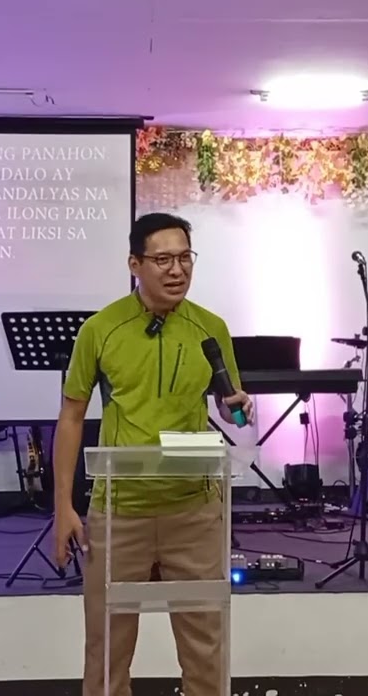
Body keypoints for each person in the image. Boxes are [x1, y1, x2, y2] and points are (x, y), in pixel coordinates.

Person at [51, 212, 253, 696]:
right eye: (163, 260)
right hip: (121, 511)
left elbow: (229, 409)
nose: (177, 270)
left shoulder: (210, 328)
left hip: (194, 510)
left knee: (206, 648)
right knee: (107, 651)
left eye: (185, 258)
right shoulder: (101, 329)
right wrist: (63, 507)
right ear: (134, 264)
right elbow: (71, 417)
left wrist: (238, 409)